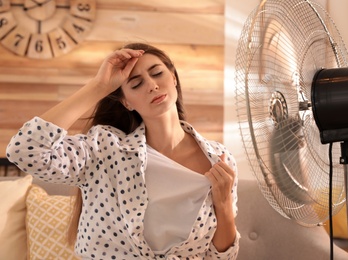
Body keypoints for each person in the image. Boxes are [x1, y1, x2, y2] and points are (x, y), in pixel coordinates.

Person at [6, 43, 240, 259]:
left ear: (174, 78)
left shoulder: (219, 159)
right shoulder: (103, 149)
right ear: (126, 102)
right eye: (136, 84)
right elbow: (25, 151)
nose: (152, 85)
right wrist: (98, 86)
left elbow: (219, 257)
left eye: (157, 73)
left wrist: (224, 205)